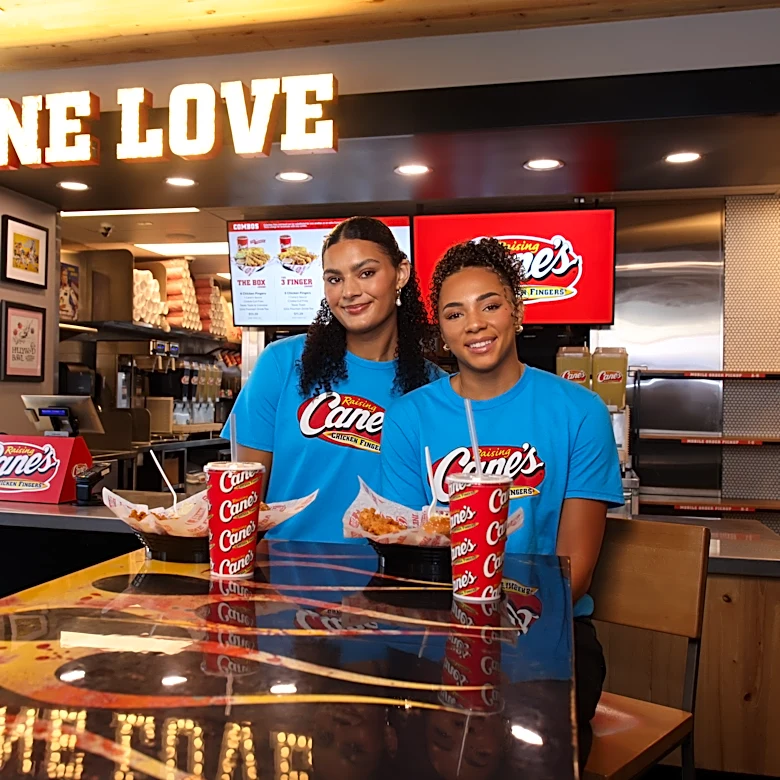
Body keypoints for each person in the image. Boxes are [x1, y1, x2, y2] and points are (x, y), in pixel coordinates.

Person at [378, 237, 624, 766]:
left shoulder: (579, 413)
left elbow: (573, 572)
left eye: (489, 305)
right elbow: (403, 550)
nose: (474, 324)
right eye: (454, 312)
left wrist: (503, 633)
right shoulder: (409, 418)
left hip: (551, 631)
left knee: (528, 753)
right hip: (439, 628)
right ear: (440, 329)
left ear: (517, 310)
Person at [231, 216, 444, 543]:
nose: (349, 292)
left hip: (396, 583)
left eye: (366, 273)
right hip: (290, 581)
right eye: (334, 279)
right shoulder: (282, 363)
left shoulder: (435, 389)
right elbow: (241, 499)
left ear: (400, 274)